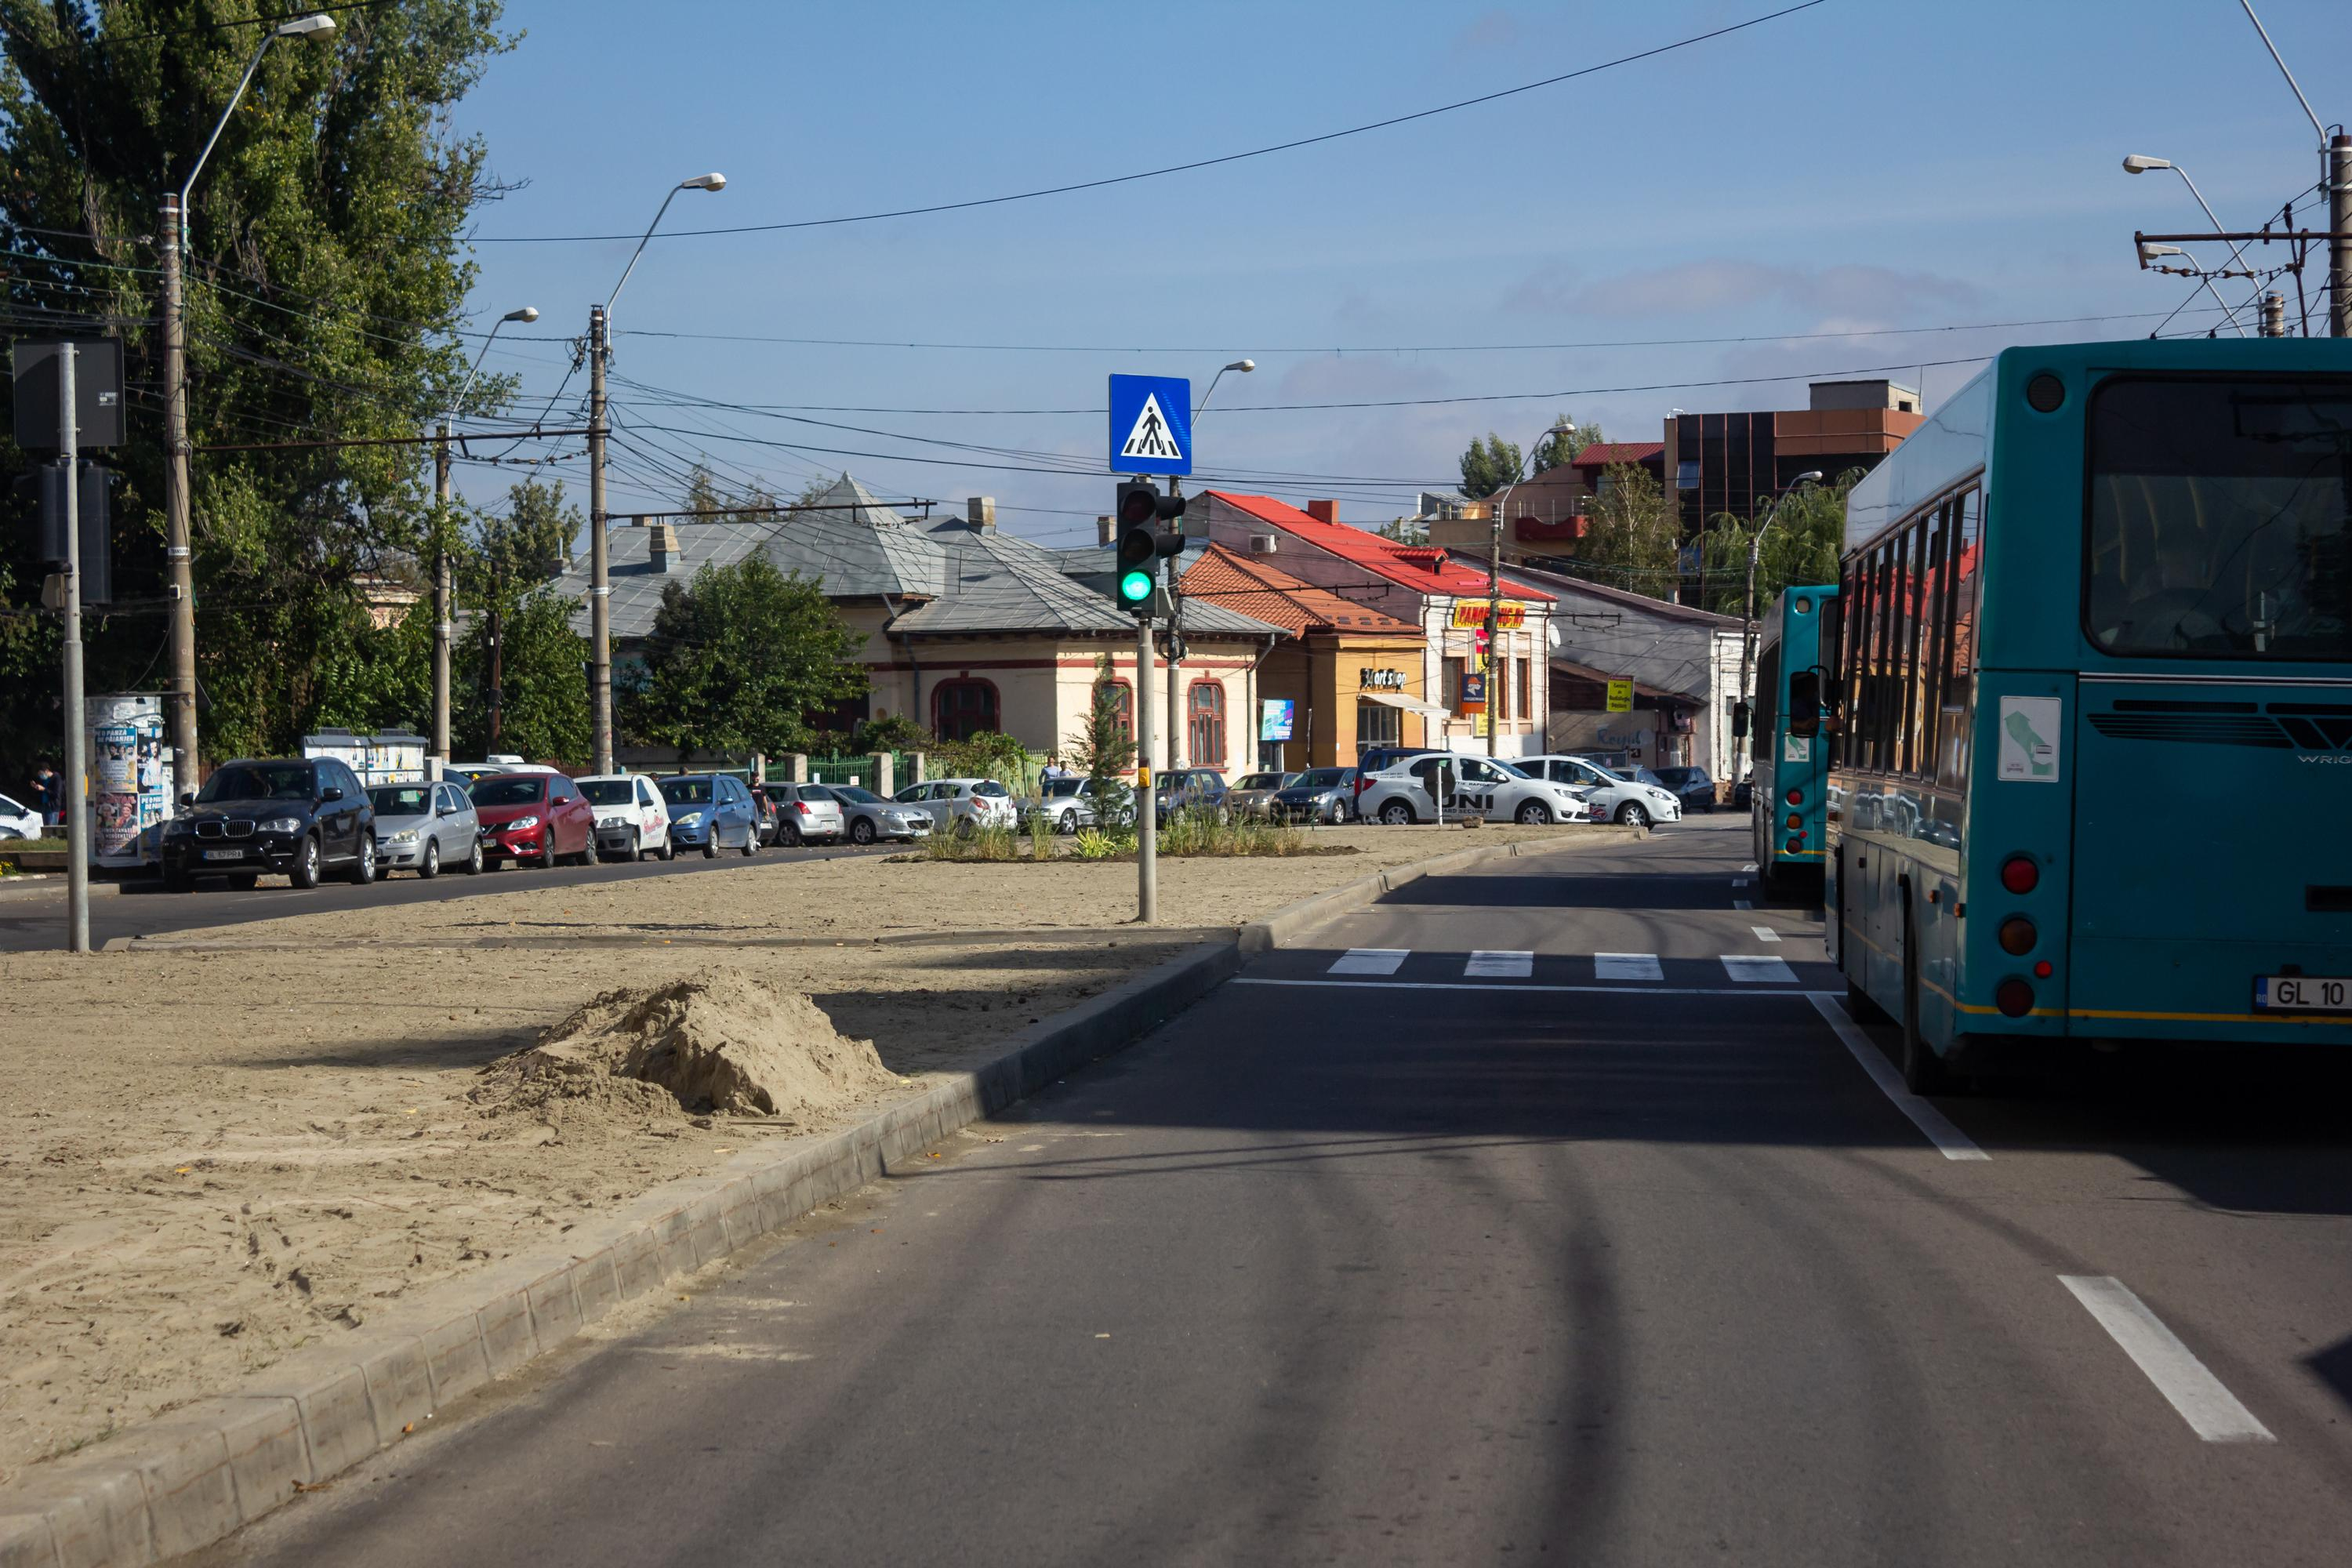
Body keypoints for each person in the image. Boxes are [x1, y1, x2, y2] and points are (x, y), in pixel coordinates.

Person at [32, 763, 59, 827]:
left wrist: (44, 789)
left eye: (41, 774)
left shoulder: (56, 778)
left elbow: (56, 794)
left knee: (51, 829)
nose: (40, 776)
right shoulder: (45, 780)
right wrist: (36, 787)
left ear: (46, 771)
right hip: (45, 805)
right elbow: (42, 791)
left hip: (52, 808)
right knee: (46, 828)